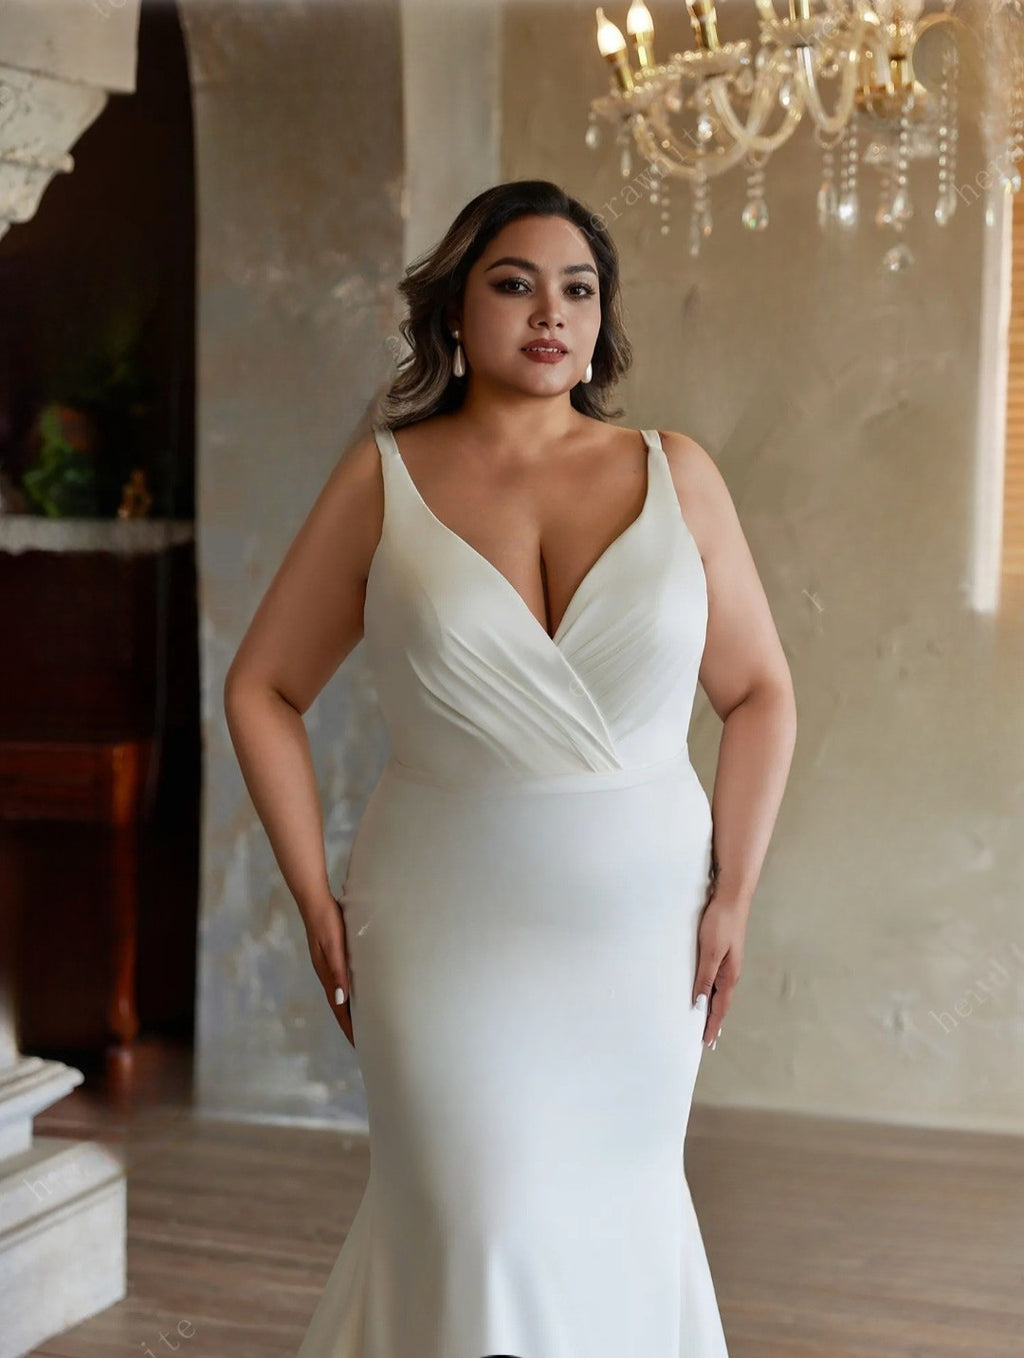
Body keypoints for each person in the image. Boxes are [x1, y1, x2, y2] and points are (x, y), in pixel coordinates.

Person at [224, 179, 797, 1357]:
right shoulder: (383, 476)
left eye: (578, 289)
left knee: (621, 1216)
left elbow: (759, 693)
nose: (552, 313)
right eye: (514, 283)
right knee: (472, 1220)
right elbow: (262, 688)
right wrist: (312, 897)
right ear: (453, 314)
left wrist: (732, 891)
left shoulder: (675, 470)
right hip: (439, 928)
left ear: (601, 319)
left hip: (644, 939)